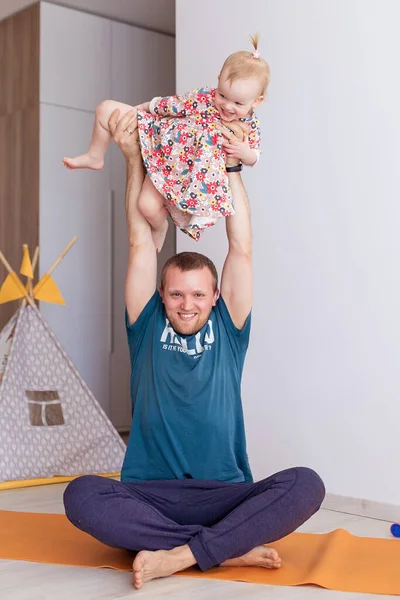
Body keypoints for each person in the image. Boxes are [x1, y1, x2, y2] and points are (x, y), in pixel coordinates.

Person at [63, 108, 325, 591]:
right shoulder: (145, 328)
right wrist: (132, 159)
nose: (187, 304)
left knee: (307, 483)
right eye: (177, 294)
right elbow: (142, 245)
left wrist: (231, 168)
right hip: (149, 494)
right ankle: (224, 546)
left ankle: (179, 553)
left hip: (226, 492)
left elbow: (240, 249)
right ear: (162, 296)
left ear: (216, 296)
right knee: (81, 495)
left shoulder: (230, 328)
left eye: (199, 294)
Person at [62, 35, 270, 249]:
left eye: (238, 102)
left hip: (195, 177)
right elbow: (168, 104)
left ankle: (161, 228)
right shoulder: (203, 97)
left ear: (257, 101)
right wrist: (137, 110)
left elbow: (254, 156)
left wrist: (244, 152)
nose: (227, 106)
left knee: (146, 205)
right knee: (105, 108)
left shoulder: (249, 123)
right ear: (217, 81)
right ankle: (95, 155)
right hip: (167, 158)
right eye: (223, 96)